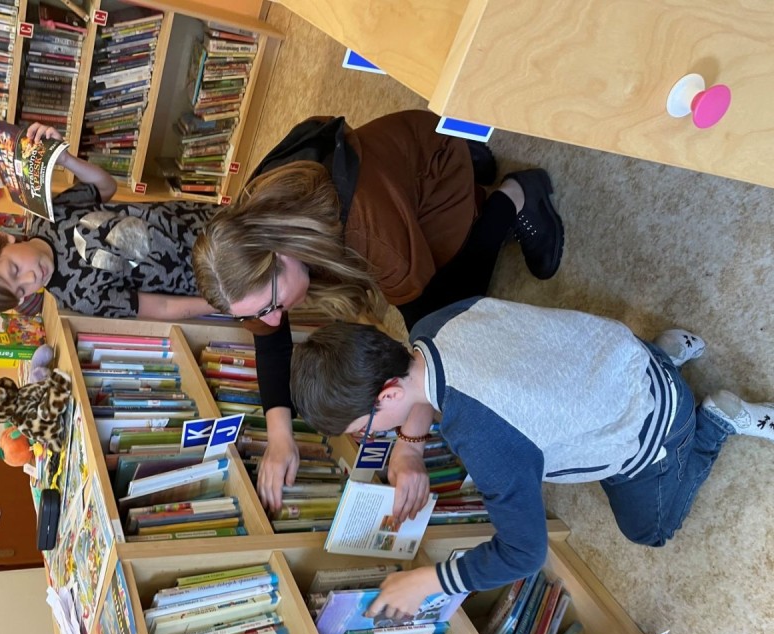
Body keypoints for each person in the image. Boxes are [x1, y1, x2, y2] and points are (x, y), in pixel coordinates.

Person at [288, 298, 774, 620]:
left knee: (650, 529)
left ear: (388, 394)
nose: (371, 436)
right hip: (625, 356)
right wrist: (408, 448)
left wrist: (428, 581)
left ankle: (716, 423)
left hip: (655, 426)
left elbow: (523, 553)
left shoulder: (481, 436)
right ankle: (663, 358)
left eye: (366, 427)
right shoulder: (431, 325)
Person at [192, 110, 565, 514]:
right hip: (391, 167)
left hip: (428, 172)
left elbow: (433, 344)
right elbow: (270, 339)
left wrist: (411, 447)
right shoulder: (250, 237)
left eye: (270, 306)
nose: (270, 320)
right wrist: (280, 435)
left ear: (283, 255)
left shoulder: (371, 238)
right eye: (253, 314)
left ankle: (514, 196)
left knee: (457, 304)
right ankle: (466, 171)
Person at [0, 122, 218, 320]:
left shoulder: (47, 214)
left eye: (15, 269)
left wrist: (65, 159)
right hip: (210, 273)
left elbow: (106, 187)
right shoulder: (78, 298)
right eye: (21, 290)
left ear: (2, 238)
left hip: (200, 221)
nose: (31, 279)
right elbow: (161, 307)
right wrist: (222, 304)